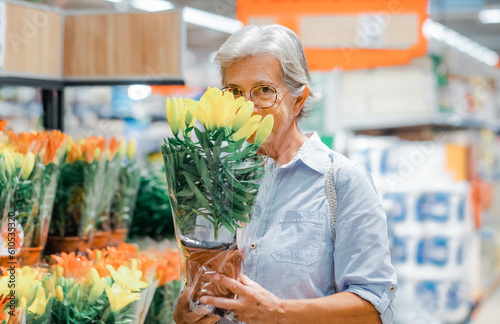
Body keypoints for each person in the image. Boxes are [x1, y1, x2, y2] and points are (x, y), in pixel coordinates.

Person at [174, 24, 397, 324]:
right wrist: (187, 310)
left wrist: (278, 313)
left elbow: (374, 307)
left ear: (299, 99)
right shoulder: (214, 180)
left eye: (264, 90)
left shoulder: (342, 182)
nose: (247, 107)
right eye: (235, 92)